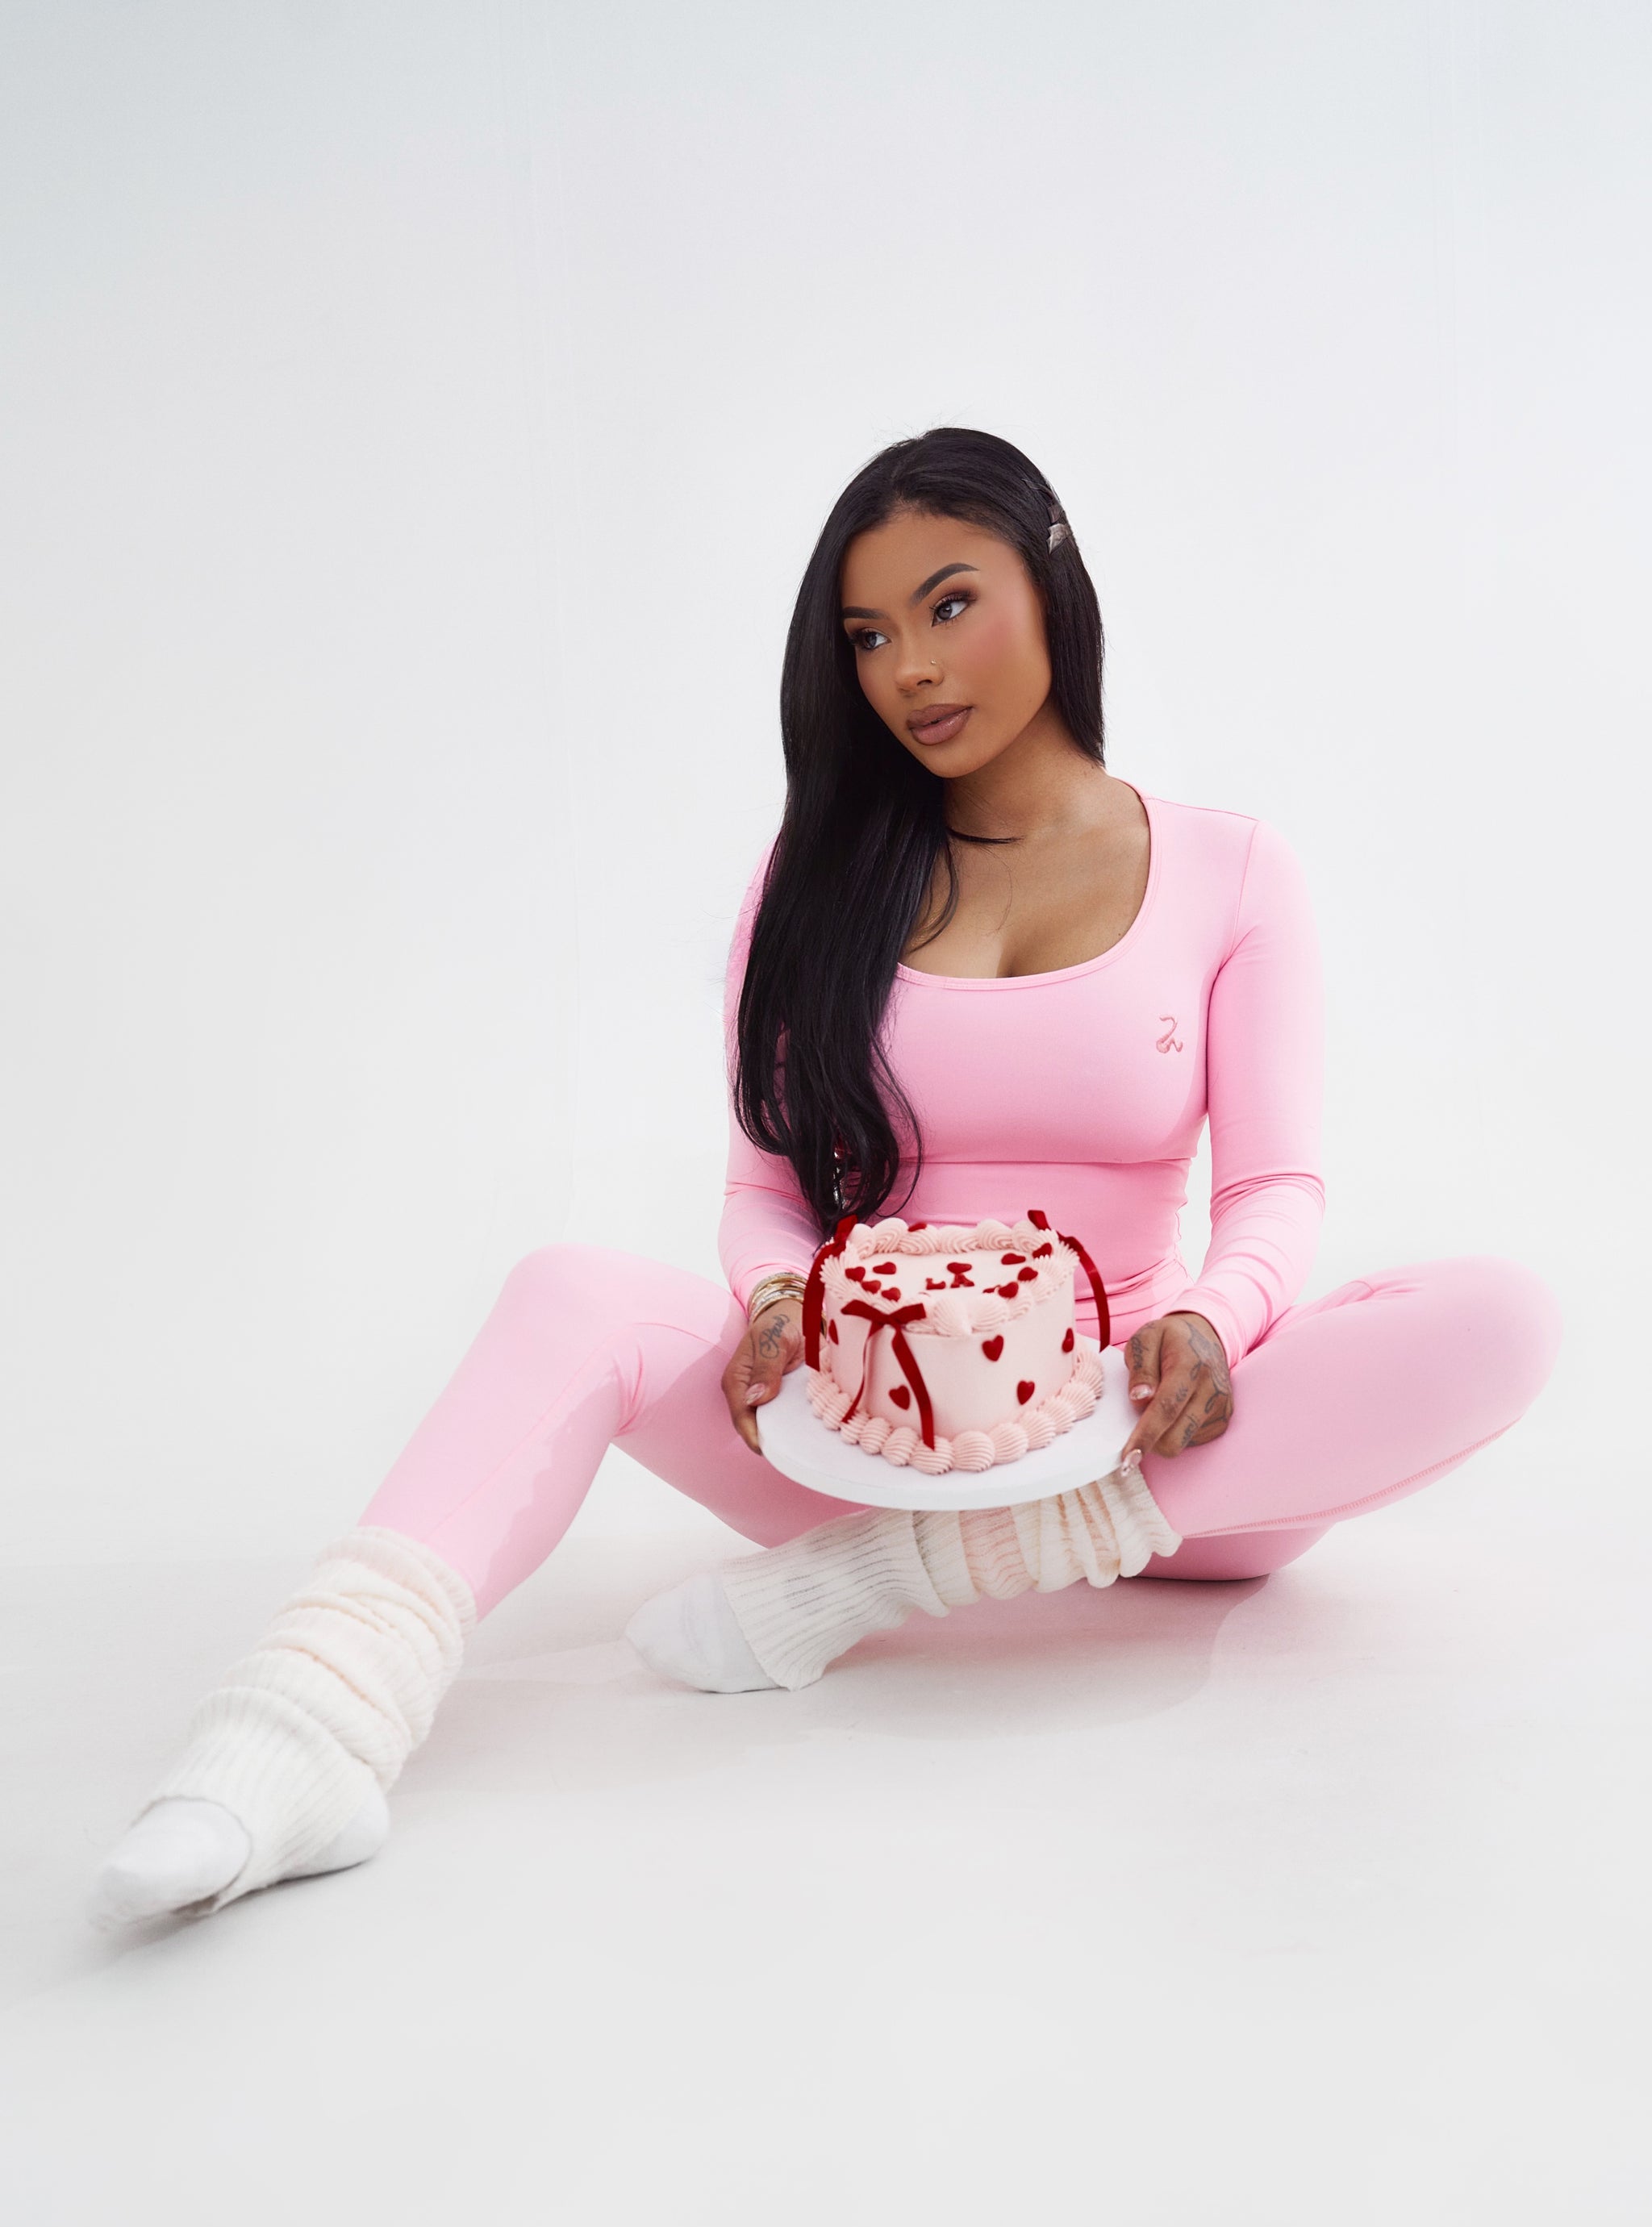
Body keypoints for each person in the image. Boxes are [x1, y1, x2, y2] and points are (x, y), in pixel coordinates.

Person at [92, 427, 1562, 1927]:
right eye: (867, 636)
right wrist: (777, 1298)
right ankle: (304, 1725)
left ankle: (878, 1581)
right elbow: (763, 1189)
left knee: (1503, 1315)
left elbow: (1273, 1190)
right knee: (567, 1293)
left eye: (949, 604)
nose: (910, 668)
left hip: (1161, 1456)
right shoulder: (815, 875)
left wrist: (1213, 1325)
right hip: (860, 1441)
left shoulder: (1231, 872)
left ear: (1051, 580)